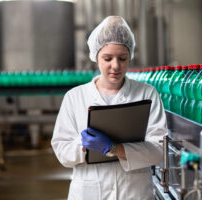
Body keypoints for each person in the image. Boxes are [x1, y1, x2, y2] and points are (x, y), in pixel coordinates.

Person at [51, 16, 168, 200]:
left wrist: (114, 148)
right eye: (108, 58)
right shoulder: (75, 97)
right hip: (88, 192)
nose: (116, 66)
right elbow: (62, 152)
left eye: (122, 58)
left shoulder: (147, 94)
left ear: (130, 56)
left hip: (134, 193)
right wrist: (83, 145)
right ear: (96, 57)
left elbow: (160, 149)